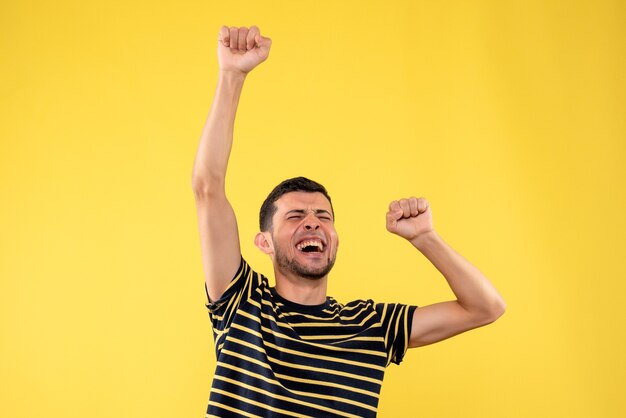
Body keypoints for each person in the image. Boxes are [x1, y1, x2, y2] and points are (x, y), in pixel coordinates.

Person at [191, 25, 506, 418]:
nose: (313, 223)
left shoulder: (371, 325)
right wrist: (231, 76)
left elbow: (486, 307)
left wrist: (426, 238)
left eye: (323, 216)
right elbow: (208, 187)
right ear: (264, 242)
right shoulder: (242, 304)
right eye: (295, 216)